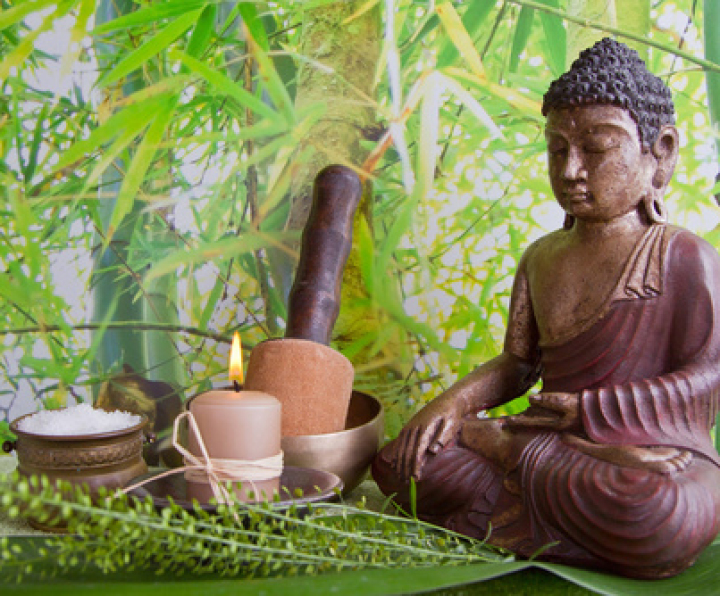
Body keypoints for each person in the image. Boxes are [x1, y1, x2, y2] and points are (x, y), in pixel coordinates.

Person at [372, 38, 720, 579]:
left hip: (645, 452)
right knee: (402, 461)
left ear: (661, 152)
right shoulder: (541, 257)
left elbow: (709, 376)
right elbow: (518, 364)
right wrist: (449, 405)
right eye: (558, 150)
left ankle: (513, 462)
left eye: (596, 148)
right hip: (553, 443)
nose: (572, 169)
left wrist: (592, 413)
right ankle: (516, 459)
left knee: (664, 509)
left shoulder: (682, 255)